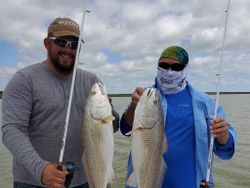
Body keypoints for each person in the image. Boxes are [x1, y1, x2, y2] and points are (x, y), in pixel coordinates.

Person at [1, 17, 119, 188]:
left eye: (74, 44)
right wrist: (41, 169)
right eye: (62, 42)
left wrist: (113, 113)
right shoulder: (24, 80)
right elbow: (11, 130)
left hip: (89, 178)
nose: (68, 49)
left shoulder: (92, 81)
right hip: (34, 181)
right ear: (47, 43)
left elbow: (111, 128)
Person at [120, 46, 237, 188]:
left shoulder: (207, 103)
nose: (169, 71)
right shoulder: (145, 96)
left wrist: (223, 136)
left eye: (176, 66)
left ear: (186, 69)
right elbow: (125, 128)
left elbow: (225, 152)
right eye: (164, 65)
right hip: (143, 180)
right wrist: (133, 107)